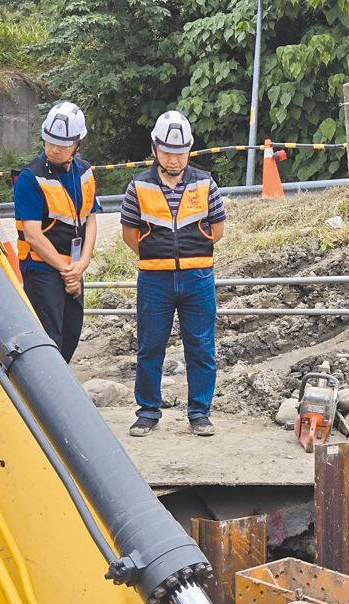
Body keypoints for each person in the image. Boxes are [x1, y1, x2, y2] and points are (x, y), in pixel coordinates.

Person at [120, 111, 226, 437]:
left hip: (198, 277)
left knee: (202, 347)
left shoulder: (205, 182)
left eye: (180, 152)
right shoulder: (138, 186)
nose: (174, 158)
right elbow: (129, 233)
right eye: (167, 151)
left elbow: (218, 228)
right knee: (150, 348)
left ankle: (200, 413)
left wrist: (194, 251)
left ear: (189, 151)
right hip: (155, 279)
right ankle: (148, 412)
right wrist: (155, 255)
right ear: (155, 149)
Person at [13, 101, 99, 362]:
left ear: (77, 144)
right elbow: (33, 234)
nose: (54, 149)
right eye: (49, 142)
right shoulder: (30, 178)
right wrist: (66, 270)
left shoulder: (84, 172)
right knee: (50, 337)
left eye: (62, 144)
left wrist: (82, 264)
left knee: (71, 332)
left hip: (73, 267)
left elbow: (91, 219)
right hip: (43, 270)